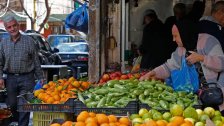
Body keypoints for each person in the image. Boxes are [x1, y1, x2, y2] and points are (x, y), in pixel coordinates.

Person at [0, 16, 44, 126]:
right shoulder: (3, 43)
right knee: (13, 104)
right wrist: (0, 77)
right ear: (6, 29)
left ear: (18, 25)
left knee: (24, 105)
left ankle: (22, 124)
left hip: (27, 78)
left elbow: (36, 61)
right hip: (10, 78)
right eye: (9, 27)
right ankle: (16, 121)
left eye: (14, 25)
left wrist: (41, 78)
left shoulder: (29, 41)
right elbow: (0, 61)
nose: (12, 29)